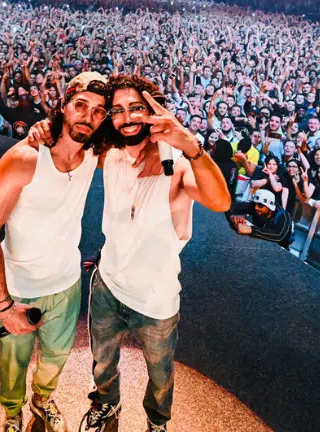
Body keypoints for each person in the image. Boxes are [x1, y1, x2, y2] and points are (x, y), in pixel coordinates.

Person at [75, 75, 231, 432]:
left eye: (136, 108)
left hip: (156, 299)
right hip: (107, 287)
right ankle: (106, 403)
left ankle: (157, 421)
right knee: (102, 361)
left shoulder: (177, 164)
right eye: (117, 110)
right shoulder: (113, 156)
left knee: (160, 374)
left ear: (152, 111)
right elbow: (72, 140)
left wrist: (191, 146)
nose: (127, 117)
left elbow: (220, 201)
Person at [0, 73, 111, 432]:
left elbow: (139, 132)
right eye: (80, 105)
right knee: (13, 363)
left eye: (98, 111)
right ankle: (11, 411)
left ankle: (42, 400)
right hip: (20, 287)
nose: (87, 116)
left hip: (66, 284)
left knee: (55, 358)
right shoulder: (24, 158)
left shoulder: (94, 155)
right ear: (64, 105)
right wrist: (3, 304)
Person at [228, 189, 294, 249]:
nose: (256, 207)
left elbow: (279, 235)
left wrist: (251, 230)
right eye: (255, 204)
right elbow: (229, 207)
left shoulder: (284, 216)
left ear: (269, 206)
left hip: (279, 250)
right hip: (258, 245)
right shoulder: (255, 207)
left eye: (260, 205)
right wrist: (232, 217)